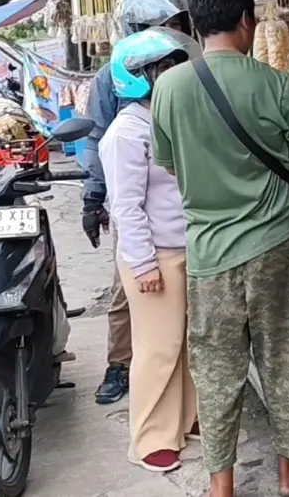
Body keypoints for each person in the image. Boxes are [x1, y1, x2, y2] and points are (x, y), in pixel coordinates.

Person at [151, 0, 289, 497]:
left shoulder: (167, 89)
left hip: (209, 250)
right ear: (244, 19)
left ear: (195, 23)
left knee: (215, 368)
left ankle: (221, 485)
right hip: (276, 242)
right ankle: (288, 472)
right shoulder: (275, 85)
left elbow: (170, 166)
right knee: (286, 352)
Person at [82, 0, 192, 405]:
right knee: (126, 290)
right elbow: (98, 138)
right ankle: (119, 364)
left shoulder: (186, 63)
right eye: (161, 26)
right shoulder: (117, 76)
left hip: (181, 213)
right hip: (137, 206)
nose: (171, 32)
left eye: (176, 24)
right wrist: (94, 196)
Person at [99, 26, 198, 473]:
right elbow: (125, 206)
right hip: (154, 254)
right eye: (163, 70)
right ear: (138, 76)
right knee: (159, 347)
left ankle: (183, 422)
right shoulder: (125, 134)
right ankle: (150, 439)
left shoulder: (168, 119)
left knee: (187, 344)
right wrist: (142, 265)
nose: (172, 76)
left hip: (187, 246)